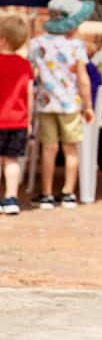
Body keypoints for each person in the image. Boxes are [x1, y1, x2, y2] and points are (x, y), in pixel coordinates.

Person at [27, 0, 95, 209]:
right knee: (71, 148)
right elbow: (83, 78)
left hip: (46, 104)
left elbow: (31, 74)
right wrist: (88, 105)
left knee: (49, 148)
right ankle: (68, 192)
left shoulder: (36, 44)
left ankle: (46, 193)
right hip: (71, 105)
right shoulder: (76, 47)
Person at [0, 15, 34, 215]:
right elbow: (30, 94)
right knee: (12, 160)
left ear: (3, 40)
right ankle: (11, 198)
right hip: (18, 122)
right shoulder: (24, 65)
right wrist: (28, 121)